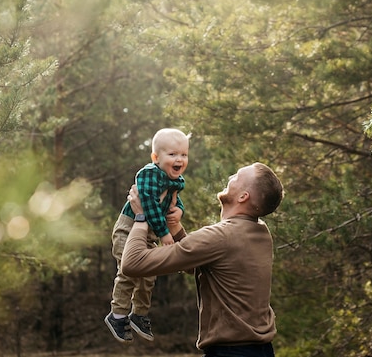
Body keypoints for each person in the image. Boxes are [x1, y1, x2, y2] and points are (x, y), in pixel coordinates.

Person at [122, 162, 284, 357]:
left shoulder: (220, 237)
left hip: (231, 353)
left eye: (237, 177)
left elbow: (133, 263)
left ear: (243, 196)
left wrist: (141, 217)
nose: (231, 176)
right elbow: (199, 262)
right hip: (261, 351)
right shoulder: (260, 231)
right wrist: (174, 227)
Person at [104, 128, 190, 343]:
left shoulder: (174, 180)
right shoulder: (149, 174)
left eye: (184, 154)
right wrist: (165, 234)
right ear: (156, 157)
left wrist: (179, 211)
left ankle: (139, 314)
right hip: (128, 229)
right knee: (129, 271)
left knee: (149, 275)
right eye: (172, 154)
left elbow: (173, 201)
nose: (179, 159)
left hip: (148, 235)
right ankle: (117, 315)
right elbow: (149, 205)